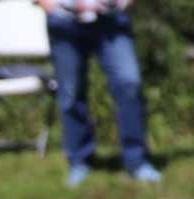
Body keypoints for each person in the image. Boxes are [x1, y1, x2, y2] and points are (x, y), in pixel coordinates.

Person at [37, 0, 162, 186]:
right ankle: (79, 162)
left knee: (128, 83)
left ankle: (137, 161)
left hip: (111, 19)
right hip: (65, 19)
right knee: (70, 94)